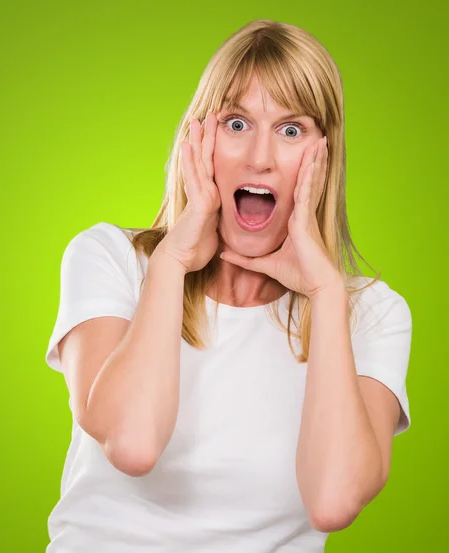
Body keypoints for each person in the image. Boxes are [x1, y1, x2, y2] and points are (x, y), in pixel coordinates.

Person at [44, 19, 412, 553]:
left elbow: (333, 503)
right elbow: (132, 444)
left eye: (291, 130)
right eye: (237, 123)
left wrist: (326, 295)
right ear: (200, 137)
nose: (259, 156)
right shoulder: (112, 260)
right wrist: (172, 262)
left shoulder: (371, 313)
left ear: (324, 157)